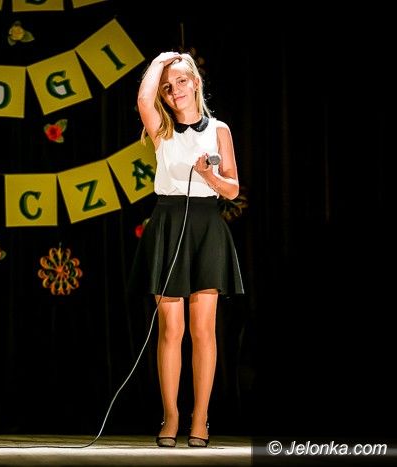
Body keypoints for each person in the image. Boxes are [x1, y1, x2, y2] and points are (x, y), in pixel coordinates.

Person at [129, 52, 244, 448]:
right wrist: (162, 60)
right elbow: (143, 99)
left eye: (180, 81)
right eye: (167, 86)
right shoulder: (161, 129)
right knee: (171, 329)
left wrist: (209, 175)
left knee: (202, 330)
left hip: (206, 226)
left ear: (195, 82)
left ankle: (199, 417)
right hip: (168, 222)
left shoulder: (220, 130)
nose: (174, 90)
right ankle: (171, 416)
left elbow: (233, 188)